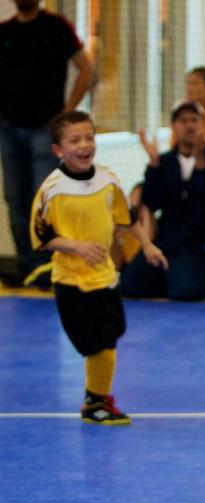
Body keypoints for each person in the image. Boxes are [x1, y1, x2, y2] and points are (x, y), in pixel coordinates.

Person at [29, 111, 166, 424]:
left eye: (89, 137)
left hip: (104, 275)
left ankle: (96, 401)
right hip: (71, 279)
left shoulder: (107, 179)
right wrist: (75, 245)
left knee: (111, 336)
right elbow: (41, 237)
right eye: (74, 140)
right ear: (58, 150)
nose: (84, 145)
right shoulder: (52, 189)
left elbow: (127, 217)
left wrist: (147, 245)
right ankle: (95, 401)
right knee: (96, 343)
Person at [0, 0, 93, 286]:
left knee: (45, 199)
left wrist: (67, 112)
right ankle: (27, 266)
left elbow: (86, 70)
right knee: (16, 199)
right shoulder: (5, 31)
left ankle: (47, 266)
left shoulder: (56, 27)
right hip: (9, 126)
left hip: (45, 126)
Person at [120, 100, 205, 301]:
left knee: (185, 292)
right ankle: (170, 276)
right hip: (167, 239)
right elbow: (152, 203)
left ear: (203, 125)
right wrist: (153, 165)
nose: (189, 126)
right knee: (129, 287)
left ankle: (191, 275)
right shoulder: (165, 161)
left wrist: (200, 162)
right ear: (174, 127)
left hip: (199, 242)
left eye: (194, 120)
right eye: (183, 121)